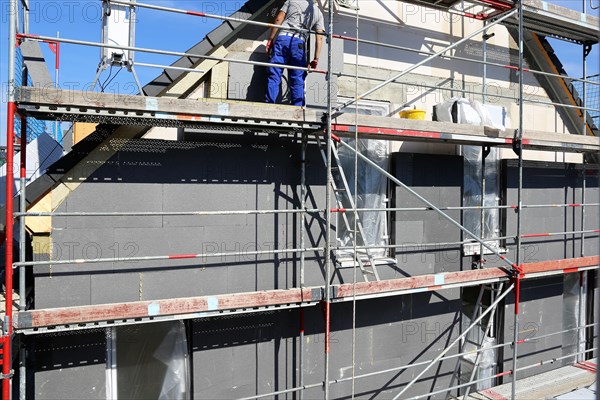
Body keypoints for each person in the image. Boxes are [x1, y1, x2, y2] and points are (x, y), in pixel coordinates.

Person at [265, 0, 325, 106]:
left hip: (283, 38)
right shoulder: (318, 13)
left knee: (275, 72)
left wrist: (270, 39)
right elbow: (319, 37)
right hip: (299, 43)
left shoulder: (291, 0)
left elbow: (279, 19)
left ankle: (269, 104)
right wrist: (316, 58)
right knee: (297, 77)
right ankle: (297, 109)